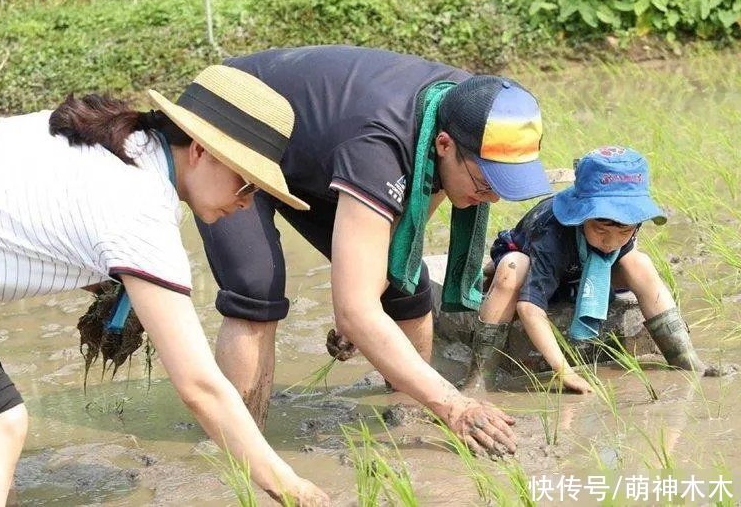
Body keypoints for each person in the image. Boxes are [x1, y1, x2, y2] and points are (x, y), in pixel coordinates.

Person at [0, 66, 328, 506]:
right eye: (246, 182)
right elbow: (201, 386)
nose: (246, 201)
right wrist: (295, 489)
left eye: (259, 190)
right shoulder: (139, 206)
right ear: (200, 150)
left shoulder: (122, 145)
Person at [197, 45, 554, 454]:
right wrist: (454, 403)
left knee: (405, 283)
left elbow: (403, 235)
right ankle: (240, 450)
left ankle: (408, 423)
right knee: (256, 287)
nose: (490, 199)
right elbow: (357, 308)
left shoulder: (470, 106)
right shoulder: (381, 146)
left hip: (317, 145)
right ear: (443, 145)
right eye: (485, 183)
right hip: (235, 120)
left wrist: (360, 307)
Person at [468, 146, 711, 394]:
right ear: (581, 216)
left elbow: (622, 247)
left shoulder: (624, 229)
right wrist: (565, 372)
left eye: (624, 232)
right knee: (512, 269)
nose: (612, 242)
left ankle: (685, 358)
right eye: (601, 230)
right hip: (538, 264)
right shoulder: (552, 234)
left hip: (581, 270)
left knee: (640, 264)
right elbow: (529, 308)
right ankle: (479, 379)